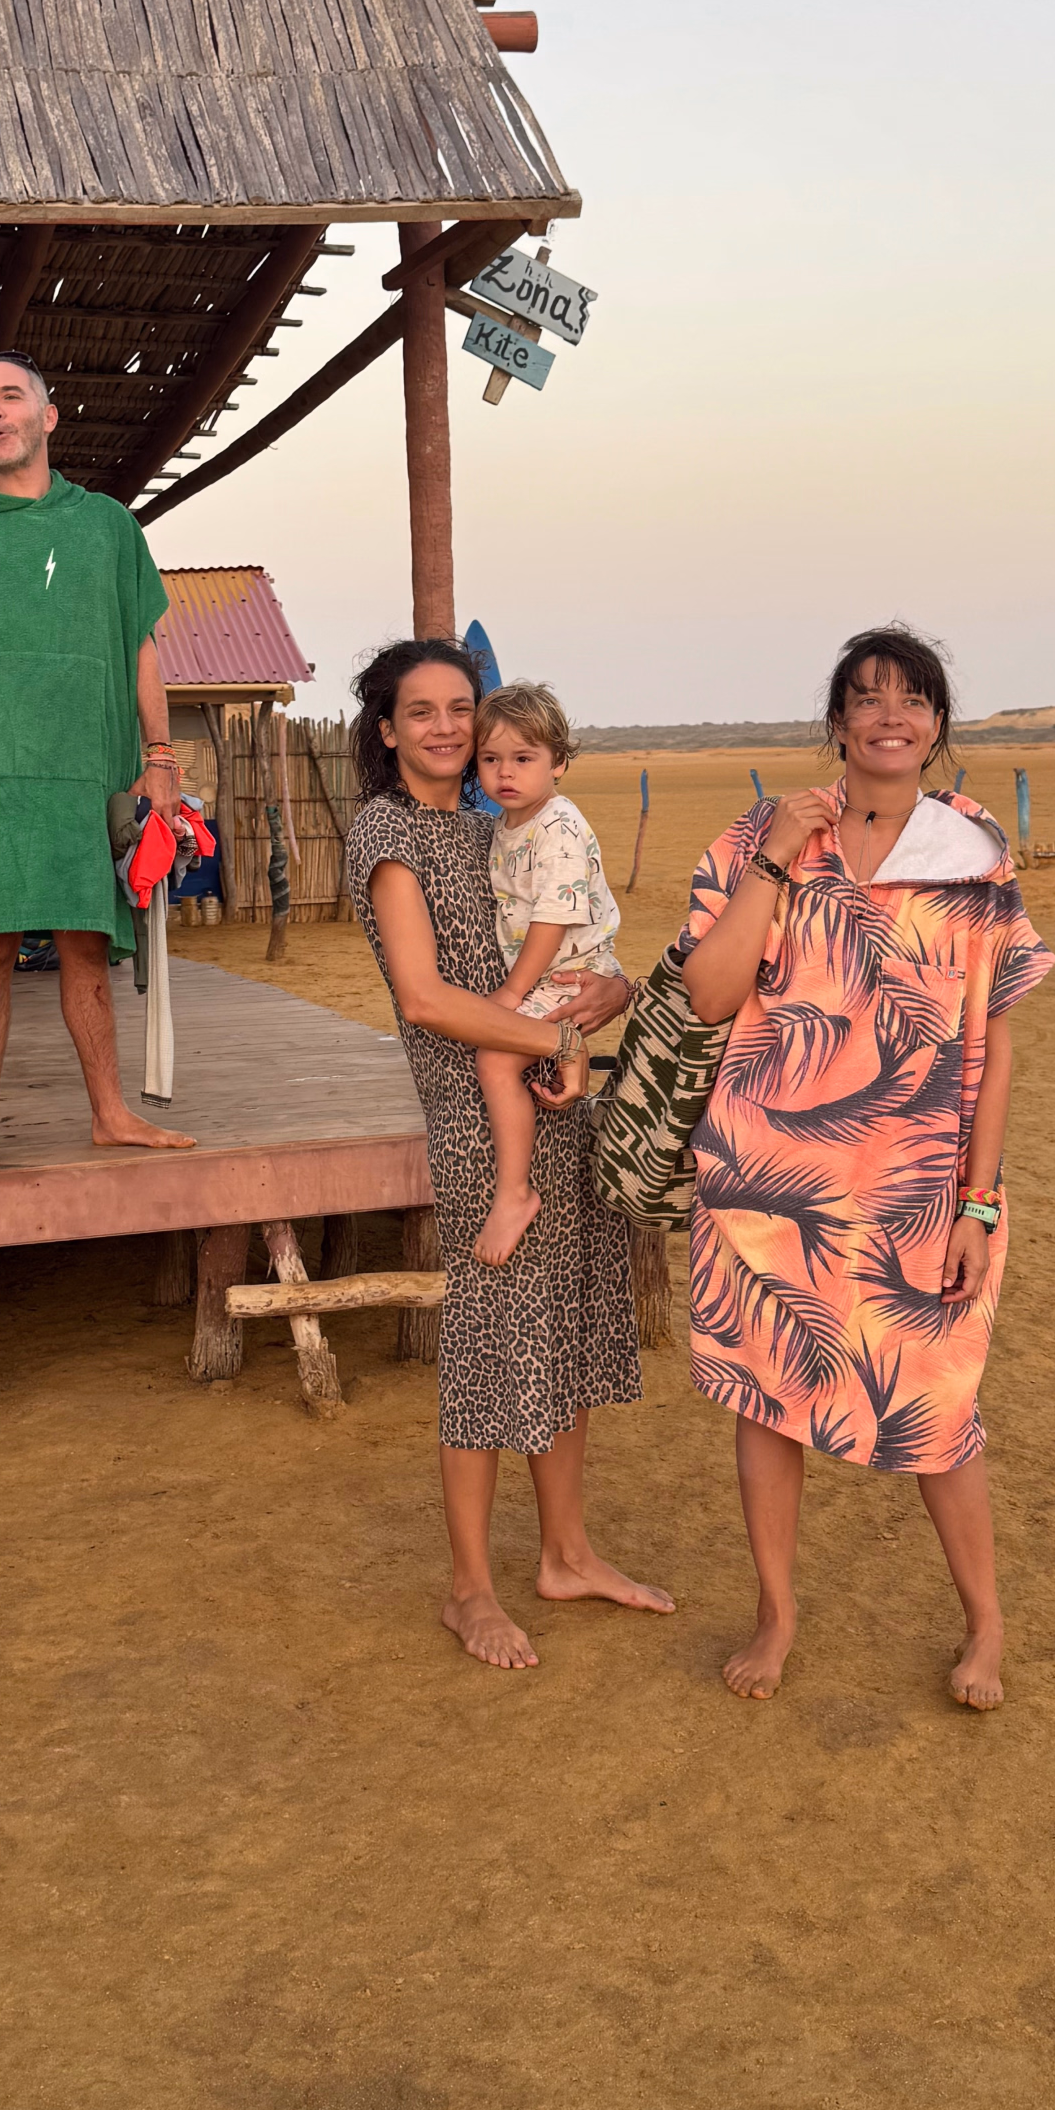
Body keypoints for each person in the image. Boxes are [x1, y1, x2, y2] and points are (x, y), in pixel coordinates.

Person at [681, 625, 1053, 1710]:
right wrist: (771, 858)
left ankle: (984, 1627)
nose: (891, 713)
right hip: (767, 1181)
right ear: (837, 720)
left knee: (938, 1410)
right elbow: (708, 995)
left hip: (919, 1189)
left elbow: (995, 1039)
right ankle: (777, 1613)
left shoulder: (975, 851)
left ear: (936, 725)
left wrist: (979, 1200)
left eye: (914, 697)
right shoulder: (762, 832)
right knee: (766, 1398)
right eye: (867, 696)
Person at [345, 637, 674, 1671]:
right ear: (388, 729)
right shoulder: (387, 833)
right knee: (490, 1344)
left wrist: (609, 995)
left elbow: (574, 942)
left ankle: (568, 1552)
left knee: (566, 1324)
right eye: (422, 711)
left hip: (552, 1095)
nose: (446, 727)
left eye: (460, 708)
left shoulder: (505, 819)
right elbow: (424, 997)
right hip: (477, 1108)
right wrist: (565, 1037)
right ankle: (468, 1587)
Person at [0, 350, 194, 1187]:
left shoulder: (106, 527)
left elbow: (140, 646)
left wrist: (160, 756)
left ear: (48, 417)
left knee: (84, 949)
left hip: (80, 768)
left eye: (10, 397)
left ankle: (110, 1114)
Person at [470, 682, 624, 1266]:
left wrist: (511, 992)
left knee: (494, 1057)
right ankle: (565, 1057)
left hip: (567, 972)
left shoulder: (557, 828)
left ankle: (514, 1192)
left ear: (559, 763)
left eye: (524, 758)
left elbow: (553, 920)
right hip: (551, 970)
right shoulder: (512, 824)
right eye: (491, 759)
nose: (505, 772)